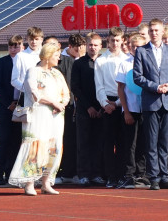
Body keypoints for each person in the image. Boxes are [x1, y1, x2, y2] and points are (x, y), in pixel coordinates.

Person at [9, 42, 70, 195]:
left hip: (56, 116)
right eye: (56, 56)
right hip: (39, 115)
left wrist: (61, 104)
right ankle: (29, 183)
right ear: (48, 56)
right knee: (36, 146)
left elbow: (66, 92)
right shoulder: (33, 71)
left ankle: (46, 182)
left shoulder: (57, 73)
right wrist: (53, 102)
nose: (58, 59)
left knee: (54, 147)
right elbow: (34, 93)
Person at [133, 19, 168, 190]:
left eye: (157, 30)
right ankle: (153, 177)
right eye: (151, 30)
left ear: (163, 32)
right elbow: (137, 77)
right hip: (151, 102)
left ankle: (164, 176)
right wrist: (155, 87)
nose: (154, 33)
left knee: (164, 141)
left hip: (167, 102)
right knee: (151, 141)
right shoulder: (141, 51)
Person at [95, 27, 132, 187]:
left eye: (118, 40)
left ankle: (122, 174)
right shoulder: (101, 60)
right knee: (108, 142)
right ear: (107, 41)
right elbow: (99, 85)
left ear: (122, 41)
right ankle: (111, 176)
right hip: (107, 104)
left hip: (124, 103)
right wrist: (105, 104)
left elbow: (128, 87)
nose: (115, 43)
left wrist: (118, 103)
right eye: (112, 40)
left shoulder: (128, 60)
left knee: (123, 142)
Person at [114, 32, 148, 187]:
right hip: (131, 109)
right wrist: (126, 111)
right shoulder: (125, 63)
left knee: (144, 142)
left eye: (139, 46)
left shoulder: (149, 62)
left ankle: (142, 174)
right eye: (133, 46)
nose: (136, 49)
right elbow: (120, 89)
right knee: (130, 144)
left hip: (147, 109)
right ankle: (129, 174)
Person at [71, 33, 104, 185]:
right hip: (85, 110)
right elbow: (75, 88)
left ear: (100, 46)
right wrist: (89, 107)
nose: (93, 47)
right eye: (90, 45)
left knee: (99, 143)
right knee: (83, 143)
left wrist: (100, 108)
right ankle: (83, 174)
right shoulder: (78, 64)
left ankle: (97, 173)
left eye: (96, 45)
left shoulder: (104, 62)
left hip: (102, 110)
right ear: (86, 45)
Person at [0, 35, 23, 185]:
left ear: (22, 47)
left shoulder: (25, 61)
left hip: (21, 106)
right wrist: (8, 103)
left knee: (17, 141)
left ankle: (11, 172)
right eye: (11, 46)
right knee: (4, 140)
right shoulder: (1, 62)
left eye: (16, 46)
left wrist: (18, 103)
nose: (13, 49)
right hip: (5, 108)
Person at [55, 34, 82, 183]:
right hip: (55, 108)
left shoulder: (71, 61)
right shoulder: (42, 66)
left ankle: (72, 171)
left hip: (71, 106)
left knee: (71, 140)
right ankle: (58, 172)